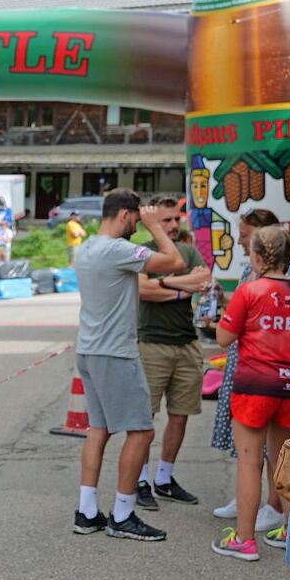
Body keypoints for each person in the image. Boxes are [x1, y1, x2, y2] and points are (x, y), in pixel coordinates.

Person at [72, 189, 184, 541]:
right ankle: (123, 513)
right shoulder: (116, 249)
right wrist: (157, 227)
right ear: (124, 215)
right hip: (116, 352)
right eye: (137, 218)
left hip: (89, 349)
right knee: (142, 430)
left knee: (99, 428)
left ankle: (87, 510)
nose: (139, 223)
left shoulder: (87, 247)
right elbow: (175, 261)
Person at [211, 226, 290, 561]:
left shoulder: (249, 290)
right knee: (284, 461)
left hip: (254, 387)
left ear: (257, 257)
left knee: (250, 463)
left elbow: (224, 338)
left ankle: (243, 539)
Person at [135, 196, 213, 510]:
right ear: (153, 222)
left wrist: (163, 283)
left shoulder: (189, 249)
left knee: (180, 416)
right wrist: (183, 286)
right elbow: (143, 291)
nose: (173, 225)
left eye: (176, 219)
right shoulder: (142, 251)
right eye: (165, 220)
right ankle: (138, 480)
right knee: (144, 419)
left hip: (187, 343)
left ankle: (164, 478)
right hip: (151, 343)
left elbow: (204, 280)